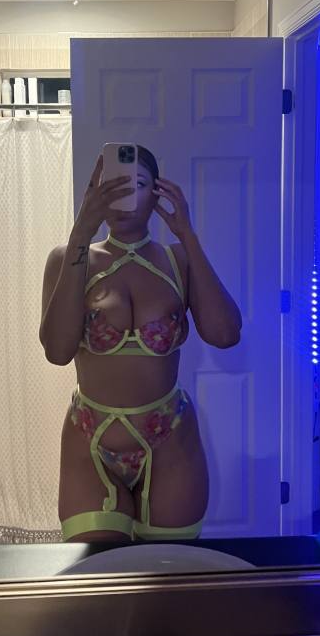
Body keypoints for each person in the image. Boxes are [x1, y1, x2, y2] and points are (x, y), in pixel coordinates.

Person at [39, 145, 242, 543]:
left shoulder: (178, 260)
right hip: (89, 440)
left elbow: (225, 335)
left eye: (137, 184)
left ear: (158, 193)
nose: (122, 195)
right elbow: (58, 352)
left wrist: (188, 236)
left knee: (169, 571)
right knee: (99, 573)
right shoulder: (67, 259)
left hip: (171, 438)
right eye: (110, 185)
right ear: (94, 193)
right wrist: (81, 232)